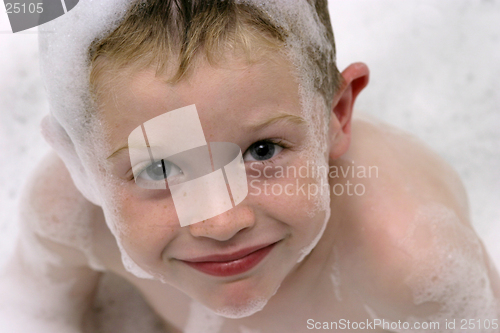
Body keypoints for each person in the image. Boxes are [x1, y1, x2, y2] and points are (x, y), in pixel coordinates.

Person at [0, 0, 499, 332]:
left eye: (262, 151)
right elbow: (32, 314)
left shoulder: (411, 267)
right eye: (159, 168)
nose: (220, 221)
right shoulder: (68, 213)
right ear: (79, 164)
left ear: (335, 117)